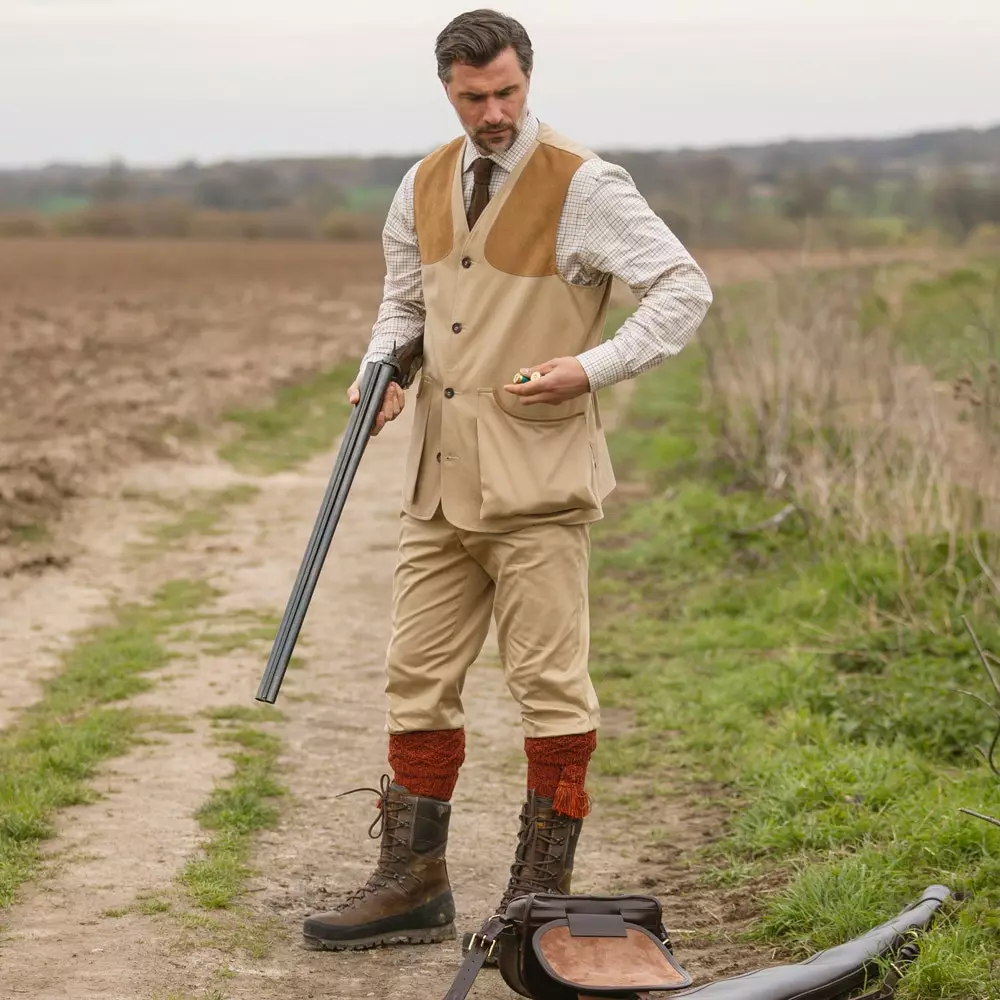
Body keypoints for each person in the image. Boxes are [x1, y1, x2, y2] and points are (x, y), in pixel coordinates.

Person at [302, 8, 713, 954]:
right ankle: (412, 883)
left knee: (550, 690)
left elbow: (684, 287)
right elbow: (404, 301)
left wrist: (593, 366)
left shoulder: (586, 183)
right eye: (473, 96)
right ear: (446, 89)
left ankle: (537, 904)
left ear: (528, 78)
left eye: (507, 92)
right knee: (415, 678)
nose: (493, 112)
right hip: (440, 483)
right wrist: (384, 371)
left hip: (538, 482)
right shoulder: (423, 182)